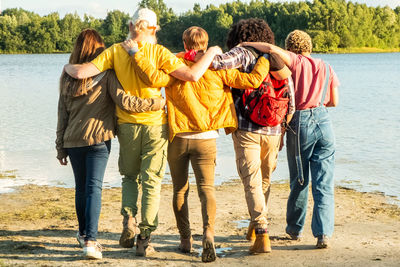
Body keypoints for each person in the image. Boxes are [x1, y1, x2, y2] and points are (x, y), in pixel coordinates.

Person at [63, 8, 222, 256]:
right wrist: (211, 51)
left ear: (130, 25)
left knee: (129, 177)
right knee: (152, 182)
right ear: (153, 29)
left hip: (126, 125)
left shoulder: (115, 51)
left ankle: (128, 219)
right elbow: (192, 75)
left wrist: (68, 67)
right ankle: (144, 239)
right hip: (155, 125)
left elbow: (84, 73)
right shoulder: (160, 53)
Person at [122, 26, 271, 262]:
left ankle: (185, 239)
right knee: (207, 190)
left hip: (178, 138)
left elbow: (152, 77)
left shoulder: (173, 63)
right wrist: (263, 59)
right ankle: (209, 235)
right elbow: (251, 81)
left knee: (180, 190)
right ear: (206, 42)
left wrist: (134, 55)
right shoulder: (217, 66)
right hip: (206, 139)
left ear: (184, 43)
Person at [56, 29, 165, 260]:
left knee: (81, 188)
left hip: (73, 141)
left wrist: (60, 146)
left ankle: (84, 233)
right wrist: (156, 103)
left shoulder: (67, 75)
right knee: (93, 188)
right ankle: (91, 242)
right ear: (99, 50)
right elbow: (126, 102)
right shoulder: (106, 74)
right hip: (97, 140)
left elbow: (62, 114)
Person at [242, 29, 339, 248]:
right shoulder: (326, 66)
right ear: (309, 46)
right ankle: (323, 234)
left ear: (291, 48)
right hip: (324, 122)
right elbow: (334, 101)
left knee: (300, 179)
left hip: (300, 121)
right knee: (324, 182)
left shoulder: (295, 61)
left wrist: (246, 43)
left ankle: (295, 229)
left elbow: (269, 49)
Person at [210, 18, 295, 254]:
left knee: (252, 182)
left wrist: (210, 51)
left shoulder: (242, 52)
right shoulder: (275, 57)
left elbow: (217, 64)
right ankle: (255, 223)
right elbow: (291, 97)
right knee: (265, 179)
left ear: (239, 36)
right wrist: (282, 129)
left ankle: (261, 233)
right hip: (274, 128)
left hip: (247, 127)